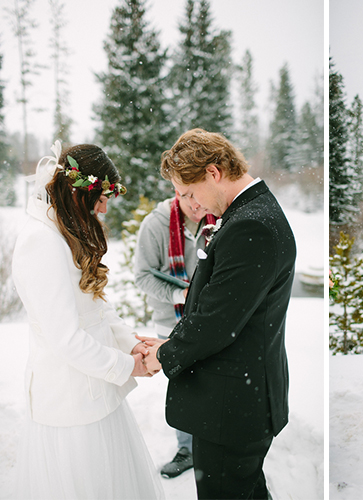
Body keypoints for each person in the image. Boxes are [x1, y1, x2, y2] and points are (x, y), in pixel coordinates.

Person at [138, 129, 296, 499]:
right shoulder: (250, 212)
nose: (191, 203)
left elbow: (216, 321)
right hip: (236, 397)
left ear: (213, 172)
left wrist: (163, 354)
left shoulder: (251, 226)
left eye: (190, 192)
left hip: (233, 407)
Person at [11, 142, 164, 499]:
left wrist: (131, 342)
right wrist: (128, 366)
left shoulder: (64, 232)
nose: (105, 207)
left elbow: (94, 305)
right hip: (70, 405)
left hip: (96, 394)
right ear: (78, 191)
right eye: (100, 197)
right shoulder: (41, 243)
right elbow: (65, 338)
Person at [134, 190, 216, 478]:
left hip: (211, 320)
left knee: (216, 381)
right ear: (178, 193)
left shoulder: (216, 217)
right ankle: (187, 449)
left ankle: (216, 445)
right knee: (185, 385)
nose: (198, 205)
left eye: (200, 198)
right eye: (190, 199)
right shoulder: (154, 225)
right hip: (172, 321)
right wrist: (179, 293)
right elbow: (143, 275)